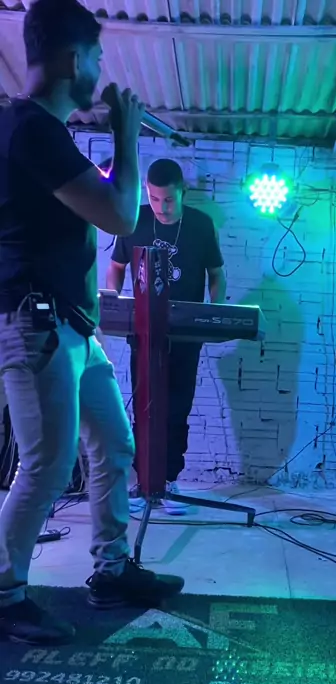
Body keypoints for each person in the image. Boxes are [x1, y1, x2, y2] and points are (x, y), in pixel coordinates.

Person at [0, 0, 184, 645]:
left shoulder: (44, 133)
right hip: (38, 324)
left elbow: (101, 204)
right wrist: (127, 137)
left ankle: (110, 570)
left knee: (113, 443)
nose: (102, 69)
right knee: (48, 464)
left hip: (72, 326)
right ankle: (4, 593)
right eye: (98, 57)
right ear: (73, 60)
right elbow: (122, 216)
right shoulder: (31, 129)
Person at [106, 158, 226, 514]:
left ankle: (169, 481)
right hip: (143, 332)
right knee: (143, 407)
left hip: (185, 335)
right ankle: (143, 483)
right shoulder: (134, 220)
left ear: (183, 192)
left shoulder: (201, 225)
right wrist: (115, 302)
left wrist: (214, 311)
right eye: (154, 199)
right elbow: (116, 267)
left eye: (169, 199)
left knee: (177, 407)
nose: (161, 207)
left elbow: (217, 274)